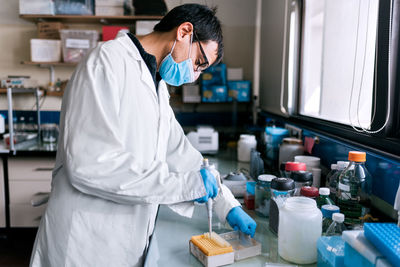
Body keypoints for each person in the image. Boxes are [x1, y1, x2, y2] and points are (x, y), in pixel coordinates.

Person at [30, 4, 256, 267]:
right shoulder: (107, 62)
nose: (194, 76)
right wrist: (185, 186)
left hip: (126, 240)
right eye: (199, 62)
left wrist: (227, 204)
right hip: (85, 242)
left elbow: (182, 155)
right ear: (184, 32)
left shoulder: (156, 86)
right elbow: (89, 165)